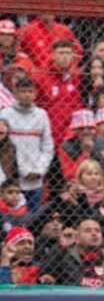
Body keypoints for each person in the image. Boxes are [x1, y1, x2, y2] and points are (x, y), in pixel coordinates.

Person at [0, 78, 53, 211]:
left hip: (35, 178)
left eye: (30, 91)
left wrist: (40, 169)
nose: (27, 95)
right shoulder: (5, 114)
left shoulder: (42, 115)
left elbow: (47, 147)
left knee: (32, 217)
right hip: (11, 178)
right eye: (23, 91)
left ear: (35, 94)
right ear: (16, 93)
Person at [38, 217, 104, 287]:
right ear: (77, 237)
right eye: (88, 231)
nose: (94, 233)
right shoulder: (64, 257)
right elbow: (45, 273)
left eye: (97, 230)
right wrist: (61, 247)